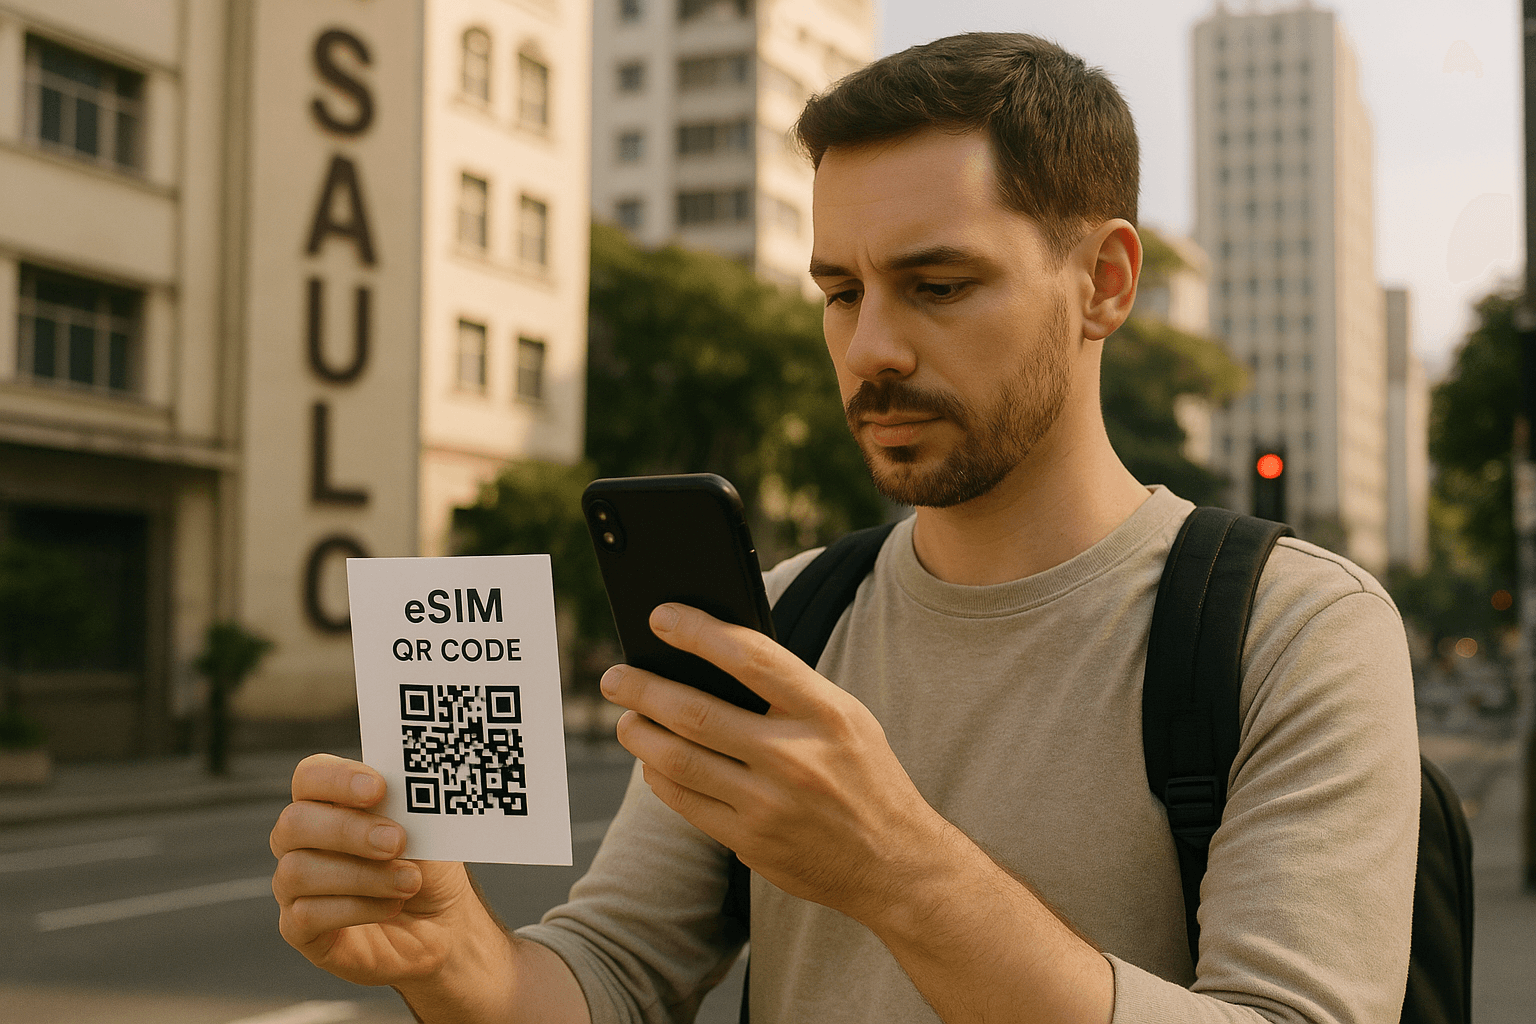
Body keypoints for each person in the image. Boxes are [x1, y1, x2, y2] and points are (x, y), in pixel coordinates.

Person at [270, 32, 1420, 1024]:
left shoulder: (1297, 627)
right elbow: (612, 974)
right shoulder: (784, 618)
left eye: (940, 284)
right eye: (840, 291)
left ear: (1106, 283)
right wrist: (452, 954)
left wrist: (900, 873)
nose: (871, 347)